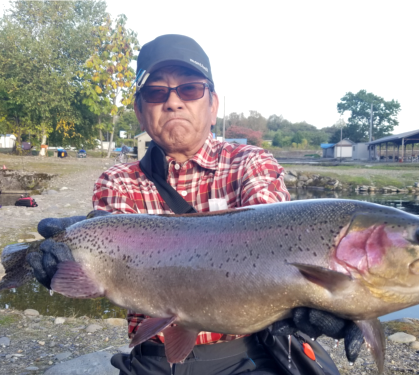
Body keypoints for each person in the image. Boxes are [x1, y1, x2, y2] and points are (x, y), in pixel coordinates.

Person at [29, 34, 362, 375]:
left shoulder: (250, 164)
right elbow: (111, 273)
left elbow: (276, 239)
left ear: (213, 104)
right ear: (140, 112)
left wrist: (326, 296)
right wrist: (74, 257)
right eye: (157, 93)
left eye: (189, 89)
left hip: (249, 350)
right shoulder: (117, 181)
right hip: (155, 353)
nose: (173, 102)